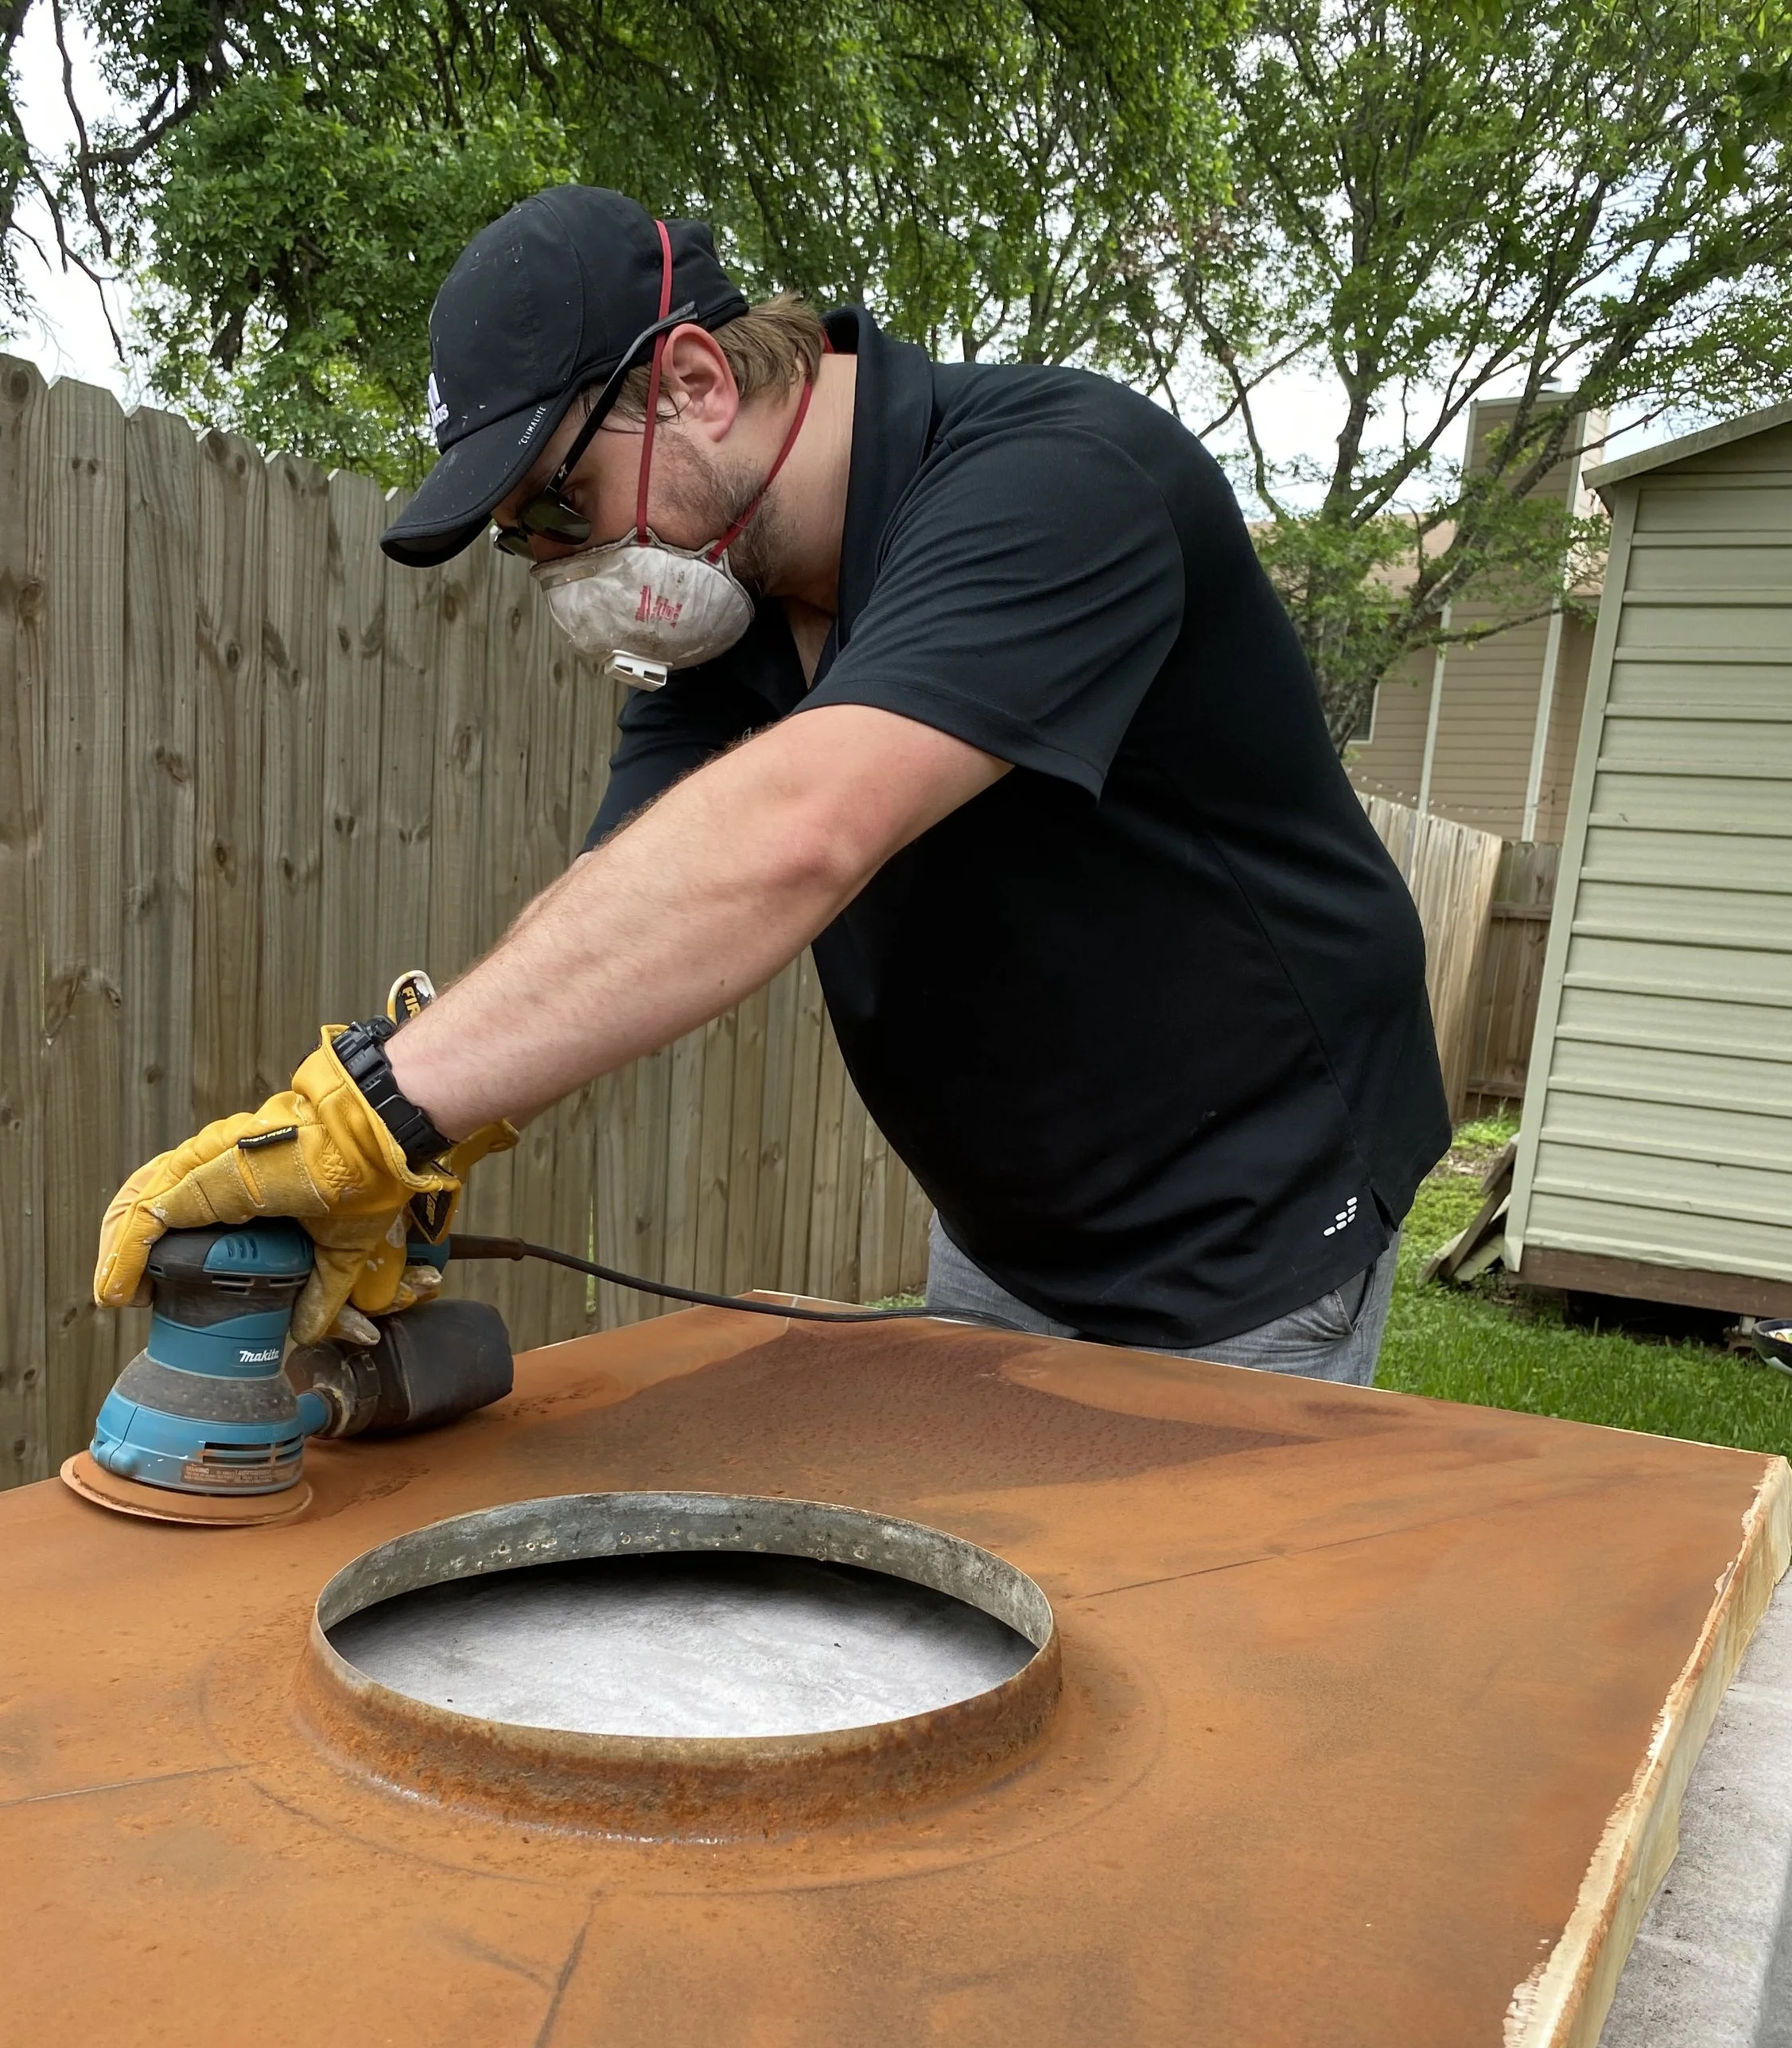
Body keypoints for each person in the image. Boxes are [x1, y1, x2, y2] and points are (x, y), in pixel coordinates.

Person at [95, 183, 1450, 1382]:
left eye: (561, 509)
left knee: (1181, 1637)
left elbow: (800, 829)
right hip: (1010, 1219)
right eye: (526, 549)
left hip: (1253, 1204)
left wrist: (379, 1111)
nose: (565, 571)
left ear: (692, 382)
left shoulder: (1058, 482)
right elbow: (627, 906)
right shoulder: (728, 615)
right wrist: (436, 1138)